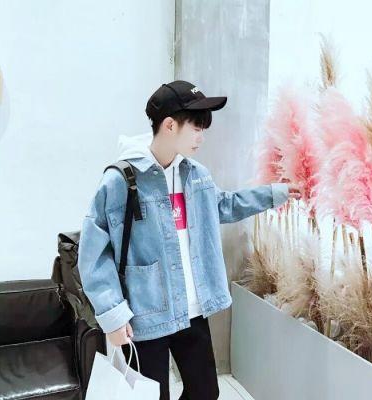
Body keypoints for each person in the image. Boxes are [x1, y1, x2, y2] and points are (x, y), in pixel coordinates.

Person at [78, 80, 301, 400]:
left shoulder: (196, 174)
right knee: (152, 396)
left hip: (192, 310)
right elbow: (94, 253)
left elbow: (225, 205)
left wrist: (275, 194)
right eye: (196, 127)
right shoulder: (121, 180)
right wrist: (112, 315)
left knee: (206, 392)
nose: (201, 136)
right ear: (170, 125)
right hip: (145, 314)